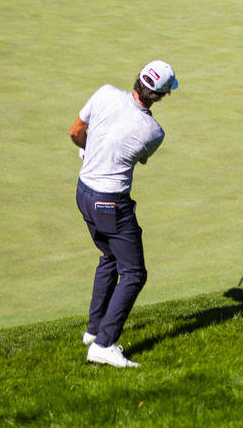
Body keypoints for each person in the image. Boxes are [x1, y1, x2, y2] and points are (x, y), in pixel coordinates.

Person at [69, 59, 178, 368]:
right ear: (161, 95)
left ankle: (93, 331)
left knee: (110, 257)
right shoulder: (153, 132)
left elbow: (76, 132)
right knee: (133, 274)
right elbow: (129, 153)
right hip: (111, 204)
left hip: (83, 193)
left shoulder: (104, 93)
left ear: (138, 79)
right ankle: (104, 344)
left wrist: (89, 151)